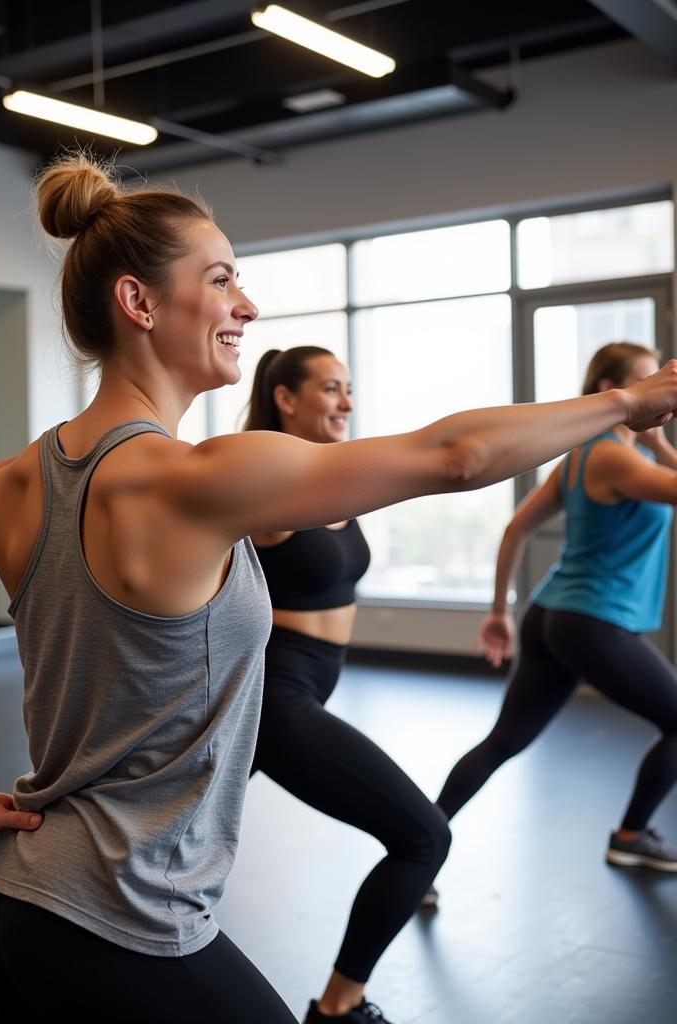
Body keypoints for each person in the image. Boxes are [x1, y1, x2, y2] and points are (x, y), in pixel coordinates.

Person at [0, 156, 677, 1024]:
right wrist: (627, 406)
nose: (247, 304)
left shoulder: (10, 483)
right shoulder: (190, 478)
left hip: (12, 893)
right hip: (119, 915)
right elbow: (455, 457)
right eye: (221, 280)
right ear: (138, 302)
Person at [245, 347, 449, 1023]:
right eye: (331, 389)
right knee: (424, 838)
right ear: (285, 398)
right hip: (278, 694)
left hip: (307, 686)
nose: (347, 403)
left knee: (156, 842)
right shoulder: (268, 482)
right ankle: (338, 1008)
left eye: (349, 389)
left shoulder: (326, 475)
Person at [435, 340, 677, 878]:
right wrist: (659, 449)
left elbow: (516, 528)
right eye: (648, 382)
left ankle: (421, 846)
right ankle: (632, 836)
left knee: (503, 742)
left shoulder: (582, 456)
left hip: (551, 616)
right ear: (609, 393)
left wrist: (501, 610)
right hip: (592, 620)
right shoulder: (616, 458)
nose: (661, 397)